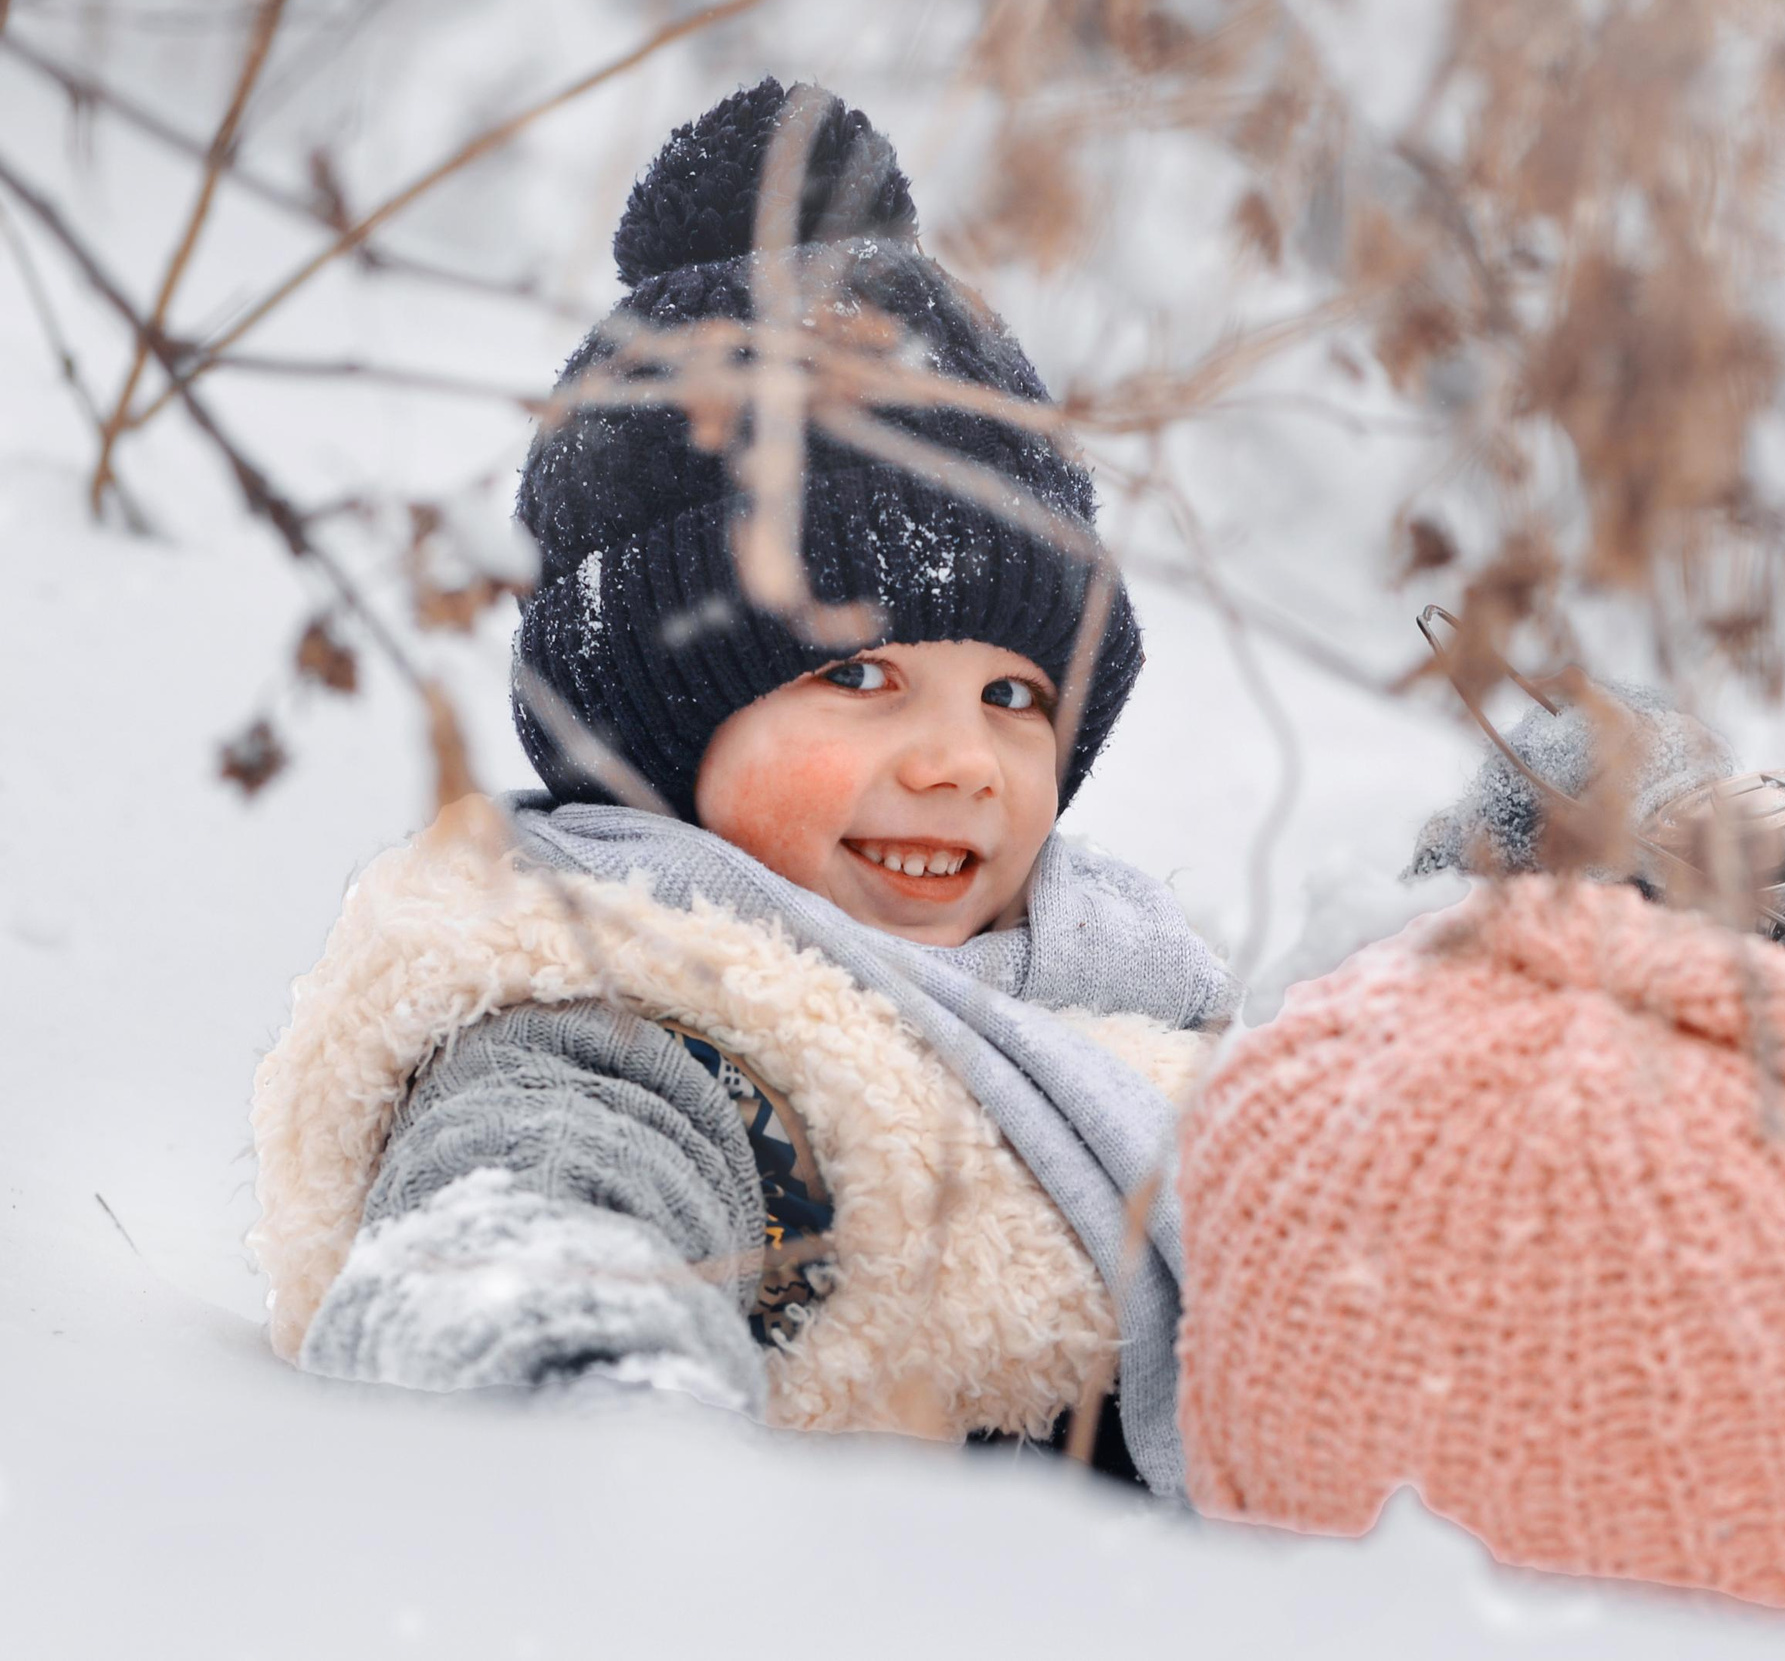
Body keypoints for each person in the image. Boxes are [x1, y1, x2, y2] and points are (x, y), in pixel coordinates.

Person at [248, 80, 1232, 1498]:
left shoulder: (1115, 999)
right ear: (655, 726)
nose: (961, 761)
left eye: (1014, 698)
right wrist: (583, 1388)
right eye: (861, 677)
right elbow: (526, 1212)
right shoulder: (618, 1012)